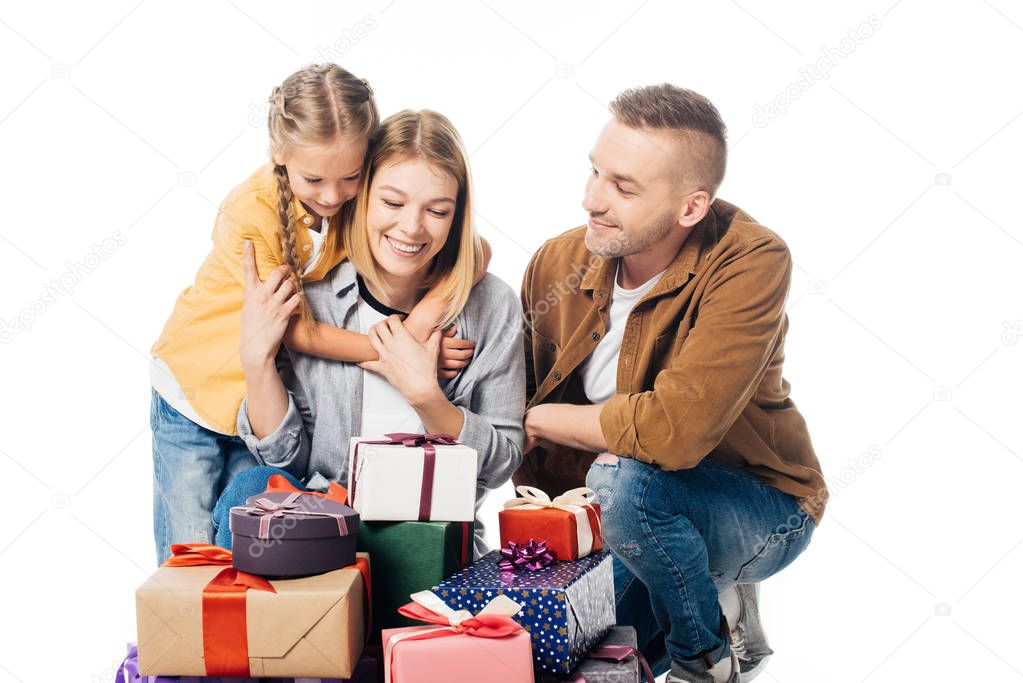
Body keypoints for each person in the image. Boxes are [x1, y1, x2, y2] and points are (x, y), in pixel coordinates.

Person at [516, 84, 828, 682]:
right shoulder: (558, 262)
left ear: (691, 208)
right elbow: (512, 402)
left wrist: (538, 422)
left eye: (623, 187)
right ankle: (693, 587)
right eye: (595, 173)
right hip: (612, 518)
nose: (592, 200)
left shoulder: (751, 259)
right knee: (555, 657)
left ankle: (704, 659)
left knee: (624, 478)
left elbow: (673, 433)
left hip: (757, 506)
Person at [149, 65, 484, 564]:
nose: (331, 195)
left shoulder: (355, 205)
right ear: (278, 153)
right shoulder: (250, 211)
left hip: (257, 404)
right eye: (314, 179)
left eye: (350, 177)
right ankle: (181, 636)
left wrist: (422, 322)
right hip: (195, 394)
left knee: (252, 540)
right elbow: (299, 331)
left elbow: (475, 249)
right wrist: (402, 353)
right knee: (190, 553)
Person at [212, 109, 525, 557]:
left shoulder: (492, 305)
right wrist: (256, 361)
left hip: (433, 544)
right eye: (392, 204)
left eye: (437, 211)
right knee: (251, 487)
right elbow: (284, 463)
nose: (411, 228)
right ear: (361, 197)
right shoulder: (312, 296)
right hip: (327, 536)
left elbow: (500, 466)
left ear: (457, 216)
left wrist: (426, 396)